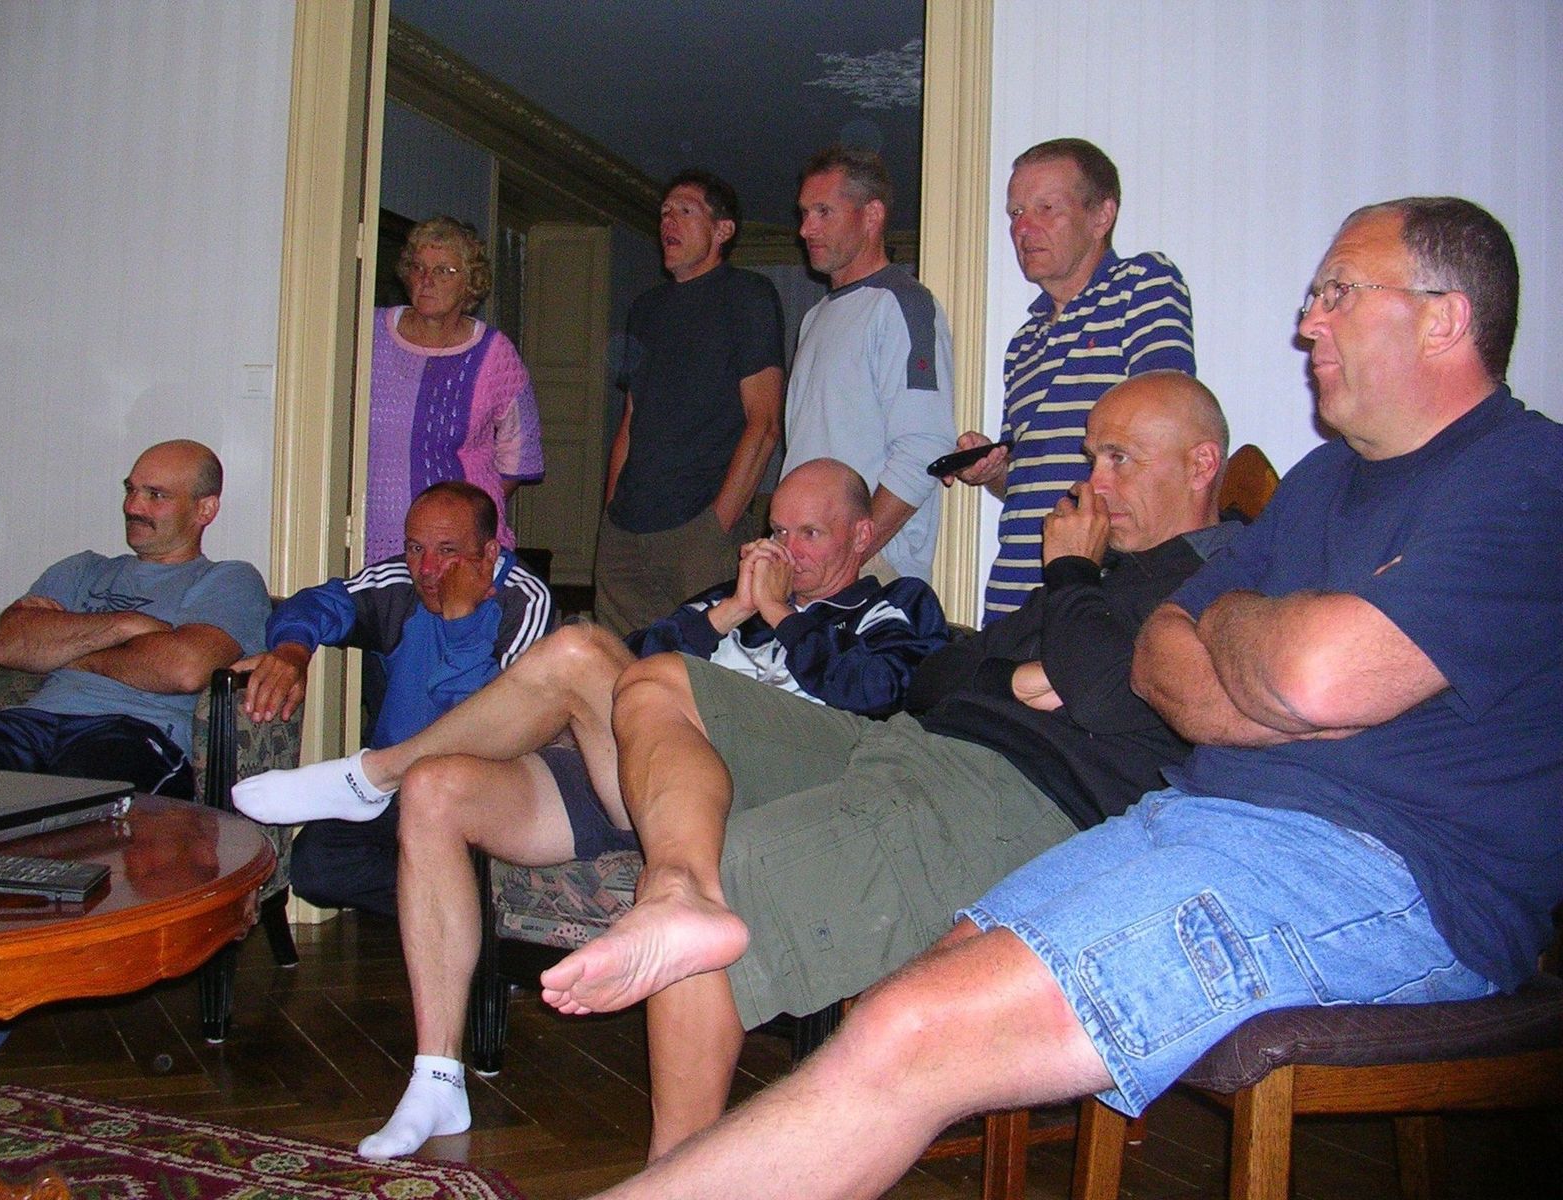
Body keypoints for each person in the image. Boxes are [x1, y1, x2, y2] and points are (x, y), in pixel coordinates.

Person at [572, 196, 1563, 1200]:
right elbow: (1163, 671)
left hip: (1386, 870)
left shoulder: (1528, 476)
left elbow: (1304, 677)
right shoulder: (1318, 483)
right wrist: (1255, 655)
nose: (1307, 321)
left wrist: (1225, 636)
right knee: (905, 1002)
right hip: (1196, 819)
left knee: (915, 1028)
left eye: (1339, 292)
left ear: (1444, 317)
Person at [541, 370, 1238, 1158]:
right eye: (1092, 458)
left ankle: (675, 1174)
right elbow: (936, 675)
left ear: (1200, 463)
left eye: (1119, 459)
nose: (1094, 484)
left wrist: (1071, 575)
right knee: (657, 682)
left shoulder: (1221, 582)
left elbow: (1109, 701)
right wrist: (1019, 676)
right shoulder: (1105, 575)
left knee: (735, 874)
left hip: (1006, 796)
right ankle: (677, 887)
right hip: (909, 743)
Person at [229, 457, 948, 1161]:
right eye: (777, 532)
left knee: (576, 651)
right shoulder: (729, 599)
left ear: (862, 536)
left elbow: (876, 693)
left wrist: (779, 614)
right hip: (641, 777)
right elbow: (638, 662)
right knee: (438, 790)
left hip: (743, 793)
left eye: (809, 535)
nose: (785, 552)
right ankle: (437, 1078)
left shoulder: (898, 605)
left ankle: (373, 775)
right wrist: (733, 610)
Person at [234, 481, 553, 915]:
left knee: (469, 859)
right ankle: (457, 906)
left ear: (489, 553)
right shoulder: (399, 582)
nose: (427, 568)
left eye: (447, 551)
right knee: (313, 867)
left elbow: (492, 726)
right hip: (391, 784)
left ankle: (463, 910)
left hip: (481, 790)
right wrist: (292, 649)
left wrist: (460, 621)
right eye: (415, 548)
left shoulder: (525, 601)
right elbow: (316, 603)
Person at [945, 138, 1195, 621]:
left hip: (1099, 594)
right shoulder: (1024, 342)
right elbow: (1026, 481)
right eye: (1016, 212)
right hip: (1014, 594)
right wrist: (994, 471)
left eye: (1046, 208)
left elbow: (1168, 424)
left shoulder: (1142, 284)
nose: (1023, 228)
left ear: (1102, 216)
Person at [0, 441, 268, 799]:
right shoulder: (81, 569)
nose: (132, 506)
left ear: (205, 508)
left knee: (76, 806)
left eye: (155, 495)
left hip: (134, 732)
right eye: (131, 489)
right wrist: (127, 626)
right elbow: (8, 645)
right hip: (28, 724)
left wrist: (62, 648)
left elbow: (185, 669)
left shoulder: (228, 579)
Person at [594, 170, 786, 636]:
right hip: (625, 531)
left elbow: (764, 424)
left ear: (723, 230)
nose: (668, 221)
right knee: (618, 661)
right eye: (664, 212)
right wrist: (610, 512)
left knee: (701, 661)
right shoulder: (646, 309)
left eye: (685, 210)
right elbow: (630, 420)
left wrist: (717, 523)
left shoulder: (748, 296)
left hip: (698, 529)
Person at [781, 146, 956, 583]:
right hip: (807, 561)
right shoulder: (815, 317)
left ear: (872, 215)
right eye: (804, 213)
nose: (806, 229)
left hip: (868, 568)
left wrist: (851, 557)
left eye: (823, 212)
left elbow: (925, 447)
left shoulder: (903, 304)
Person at [365, 215, 544, 565]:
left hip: (459, 544)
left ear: (470, 283)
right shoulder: (370, 332)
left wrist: (471, 510)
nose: (426, 280)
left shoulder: (494, 353)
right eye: (418, 267)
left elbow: (520, 451)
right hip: (374, 533)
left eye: (443, 271)